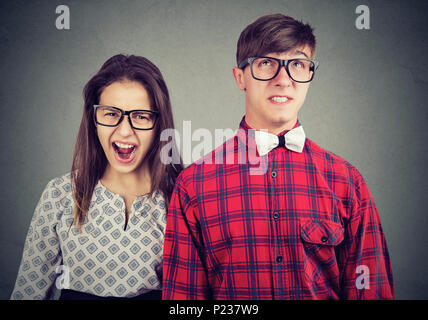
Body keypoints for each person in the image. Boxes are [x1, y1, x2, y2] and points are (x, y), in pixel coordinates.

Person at [162, 14, 394, 299]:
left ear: (310, 75)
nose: (283, 80)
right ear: (240, 77)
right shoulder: (193, 185)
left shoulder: (347, 181)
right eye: (266, 63)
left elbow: (371, 292)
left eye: (297, 64)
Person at [11, 54, 183, 300]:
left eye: (141, 116)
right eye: (111, 113)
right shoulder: (60, 195)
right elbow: (28, 292)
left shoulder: (182, 198)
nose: (125, 131)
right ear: (93, 119)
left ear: (158, 124)